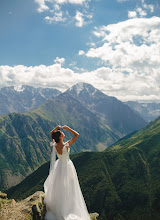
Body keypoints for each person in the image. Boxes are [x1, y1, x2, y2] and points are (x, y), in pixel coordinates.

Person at [44, 125, 90, 220]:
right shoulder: (66, 145)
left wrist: (55, 129)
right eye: (61, 133)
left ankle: (60, 206)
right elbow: (76, 135)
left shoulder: (55, 145)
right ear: (60, 136)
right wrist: (68, 128)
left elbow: (51, 134)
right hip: (67, 167)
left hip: (59, 166)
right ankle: (68, 207)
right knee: (70, 187)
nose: (62, 133)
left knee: (60, 186)